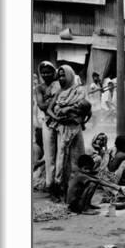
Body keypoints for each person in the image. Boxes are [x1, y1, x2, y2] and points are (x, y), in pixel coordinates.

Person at [47, 65, 86, 198]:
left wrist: (68, 110)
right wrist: (56, 117)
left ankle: (75, 192)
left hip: (74, 129)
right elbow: (49, 109)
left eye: (64, 75)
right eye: (60, 75)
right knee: (62, 159)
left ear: (70, 75)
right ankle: (60, 190)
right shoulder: (59, 92)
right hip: (62, 129)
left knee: (76, 159)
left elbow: (84, 108)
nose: (61, 78)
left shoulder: (78, 90)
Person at [35, 61, 61, 194]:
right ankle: (51, 185)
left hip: (61, 122)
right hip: (48, 123)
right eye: (43, 72)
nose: (46, 74)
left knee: (61, 154)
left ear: (54, 72)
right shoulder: (39, 88)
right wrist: (55, 102)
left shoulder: (59, 84)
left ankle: (61, 182)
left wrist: (49, 102)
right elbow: (41, 106)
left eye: (49, 72)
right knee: (50, 155)